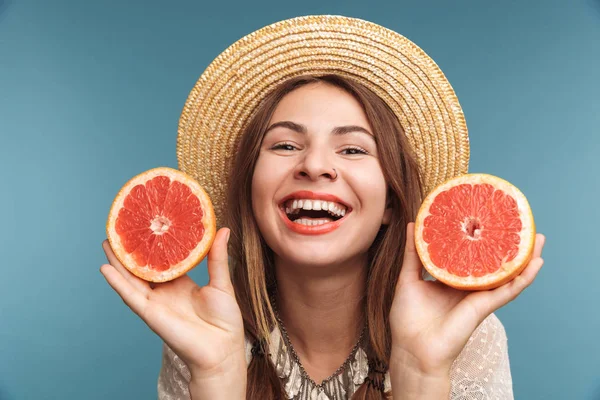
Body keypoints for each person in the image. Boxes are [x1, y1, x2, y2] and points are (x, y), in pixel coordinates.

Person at [100, 16, 545, 400]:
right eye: (286, 144)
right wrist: (215, 376)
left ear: (390, 201)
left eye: (352, 150)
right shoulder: (201, 331)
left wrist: (422, 374)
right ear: (252, 194)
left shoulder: (462, 336)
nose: (314, 165)